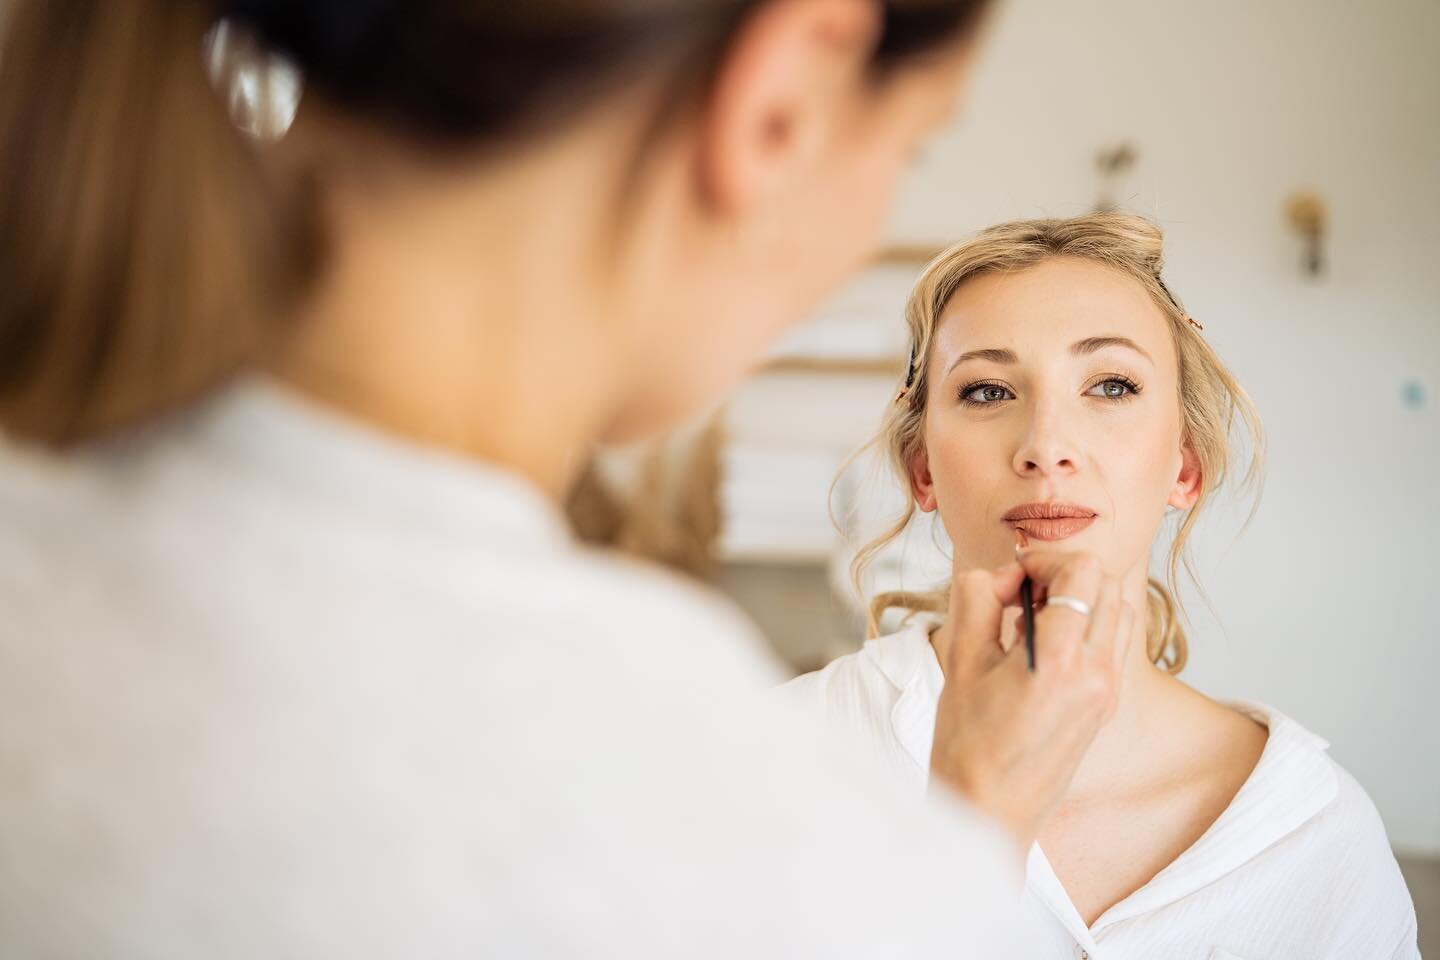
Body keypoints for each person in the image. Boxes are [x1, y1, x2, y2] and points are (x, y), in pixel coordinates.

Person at [0, 2, 1134, 956]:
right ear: (778, 103)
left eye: (1114, 388)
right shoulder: (697, 808)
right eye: (914, 145)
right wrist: (965, 849)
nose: (1048, 443)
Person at [784, 212, 1421, 959]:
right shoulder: (776, 756)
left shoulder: (1313, 831)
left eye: (1111, 385)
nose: (1046, 447)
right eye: (988, 391)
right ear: (923, 469)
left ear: (1185, 467)